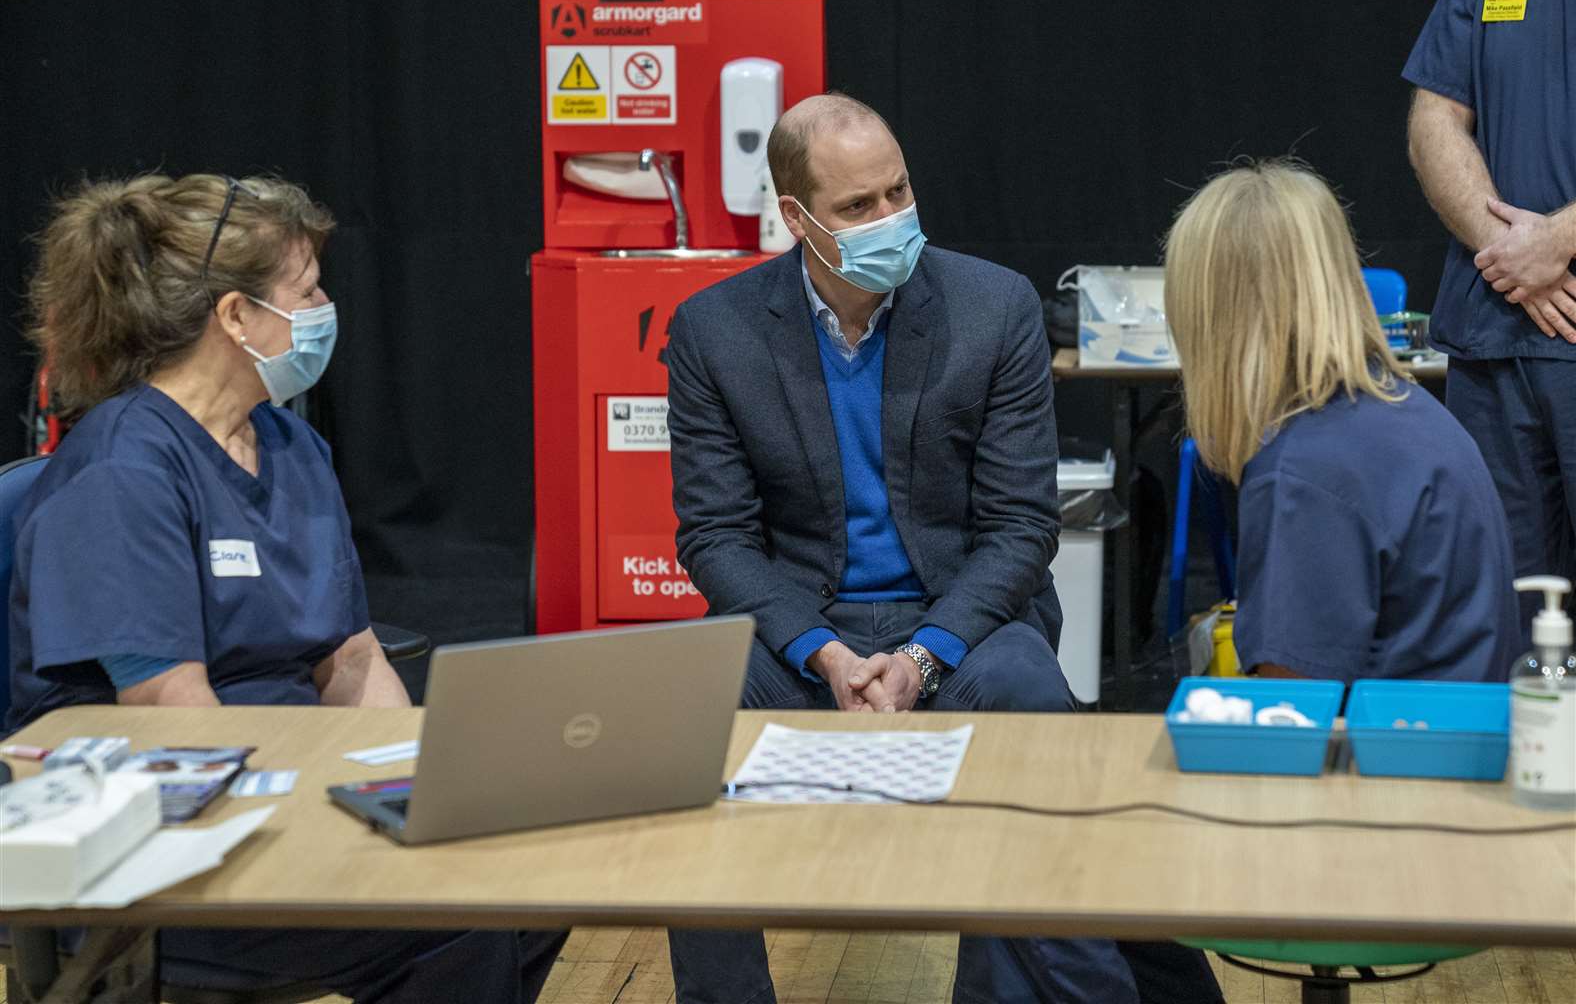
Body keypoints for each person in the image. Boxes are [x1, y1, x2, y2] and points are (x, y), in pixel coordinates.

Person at [664, 94, 1223, 1004]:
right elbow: (717, 537)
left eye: (900, 191)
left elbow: (1020, 530)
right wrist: (826, 653)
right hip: (802, 629)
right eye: (859, 207)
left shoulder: (992, 307)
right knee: (687, 715)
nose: (892, 220)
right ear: (797, 218)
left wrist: (922, 657)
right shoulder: (714, 330)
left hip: (960, 616)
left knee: (1033, 698)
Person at [5, 173, 566, 1003]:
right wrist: (320, 828)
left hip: (295, 798)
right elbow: (170, 719)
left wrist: (418, 788)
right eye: (305, 291)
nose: (324, 308)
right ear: (235, 316)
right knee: (462, 913)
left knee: (540, 873)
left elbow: (351, 655)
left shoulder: (292, 447)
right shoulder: (123, 472)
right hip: (159, 836)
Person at [1163, 160, 1519, 682]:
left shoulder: (1303, 471)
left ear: (1211, 317)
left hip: (1388, 755)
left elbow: (1290, 715)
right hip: (1456, 739)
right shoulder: (1408, 409)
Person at [1404, 0, 1576, 629]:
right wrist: (1510, 252)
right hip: (1497, 344)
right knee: (1506, 607)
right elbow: (1434, 123)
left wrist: (1561, 238)